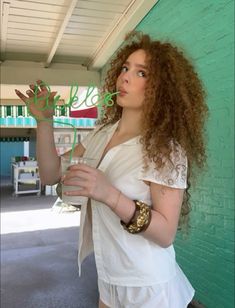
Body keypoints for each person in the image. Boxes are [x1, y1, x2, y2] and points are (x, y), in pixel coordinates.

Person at [15, 31, 208, 308]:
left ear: (162, 89)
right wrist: (45, 121)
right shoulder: (100, 134)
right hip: (109, 279)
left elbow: (166, 234)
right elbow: (50, 174)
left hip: (148, 287)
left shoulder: (166, 149)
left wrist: (110, 195)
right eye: (126, 68)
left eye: (142, 73)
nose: (125, 77)